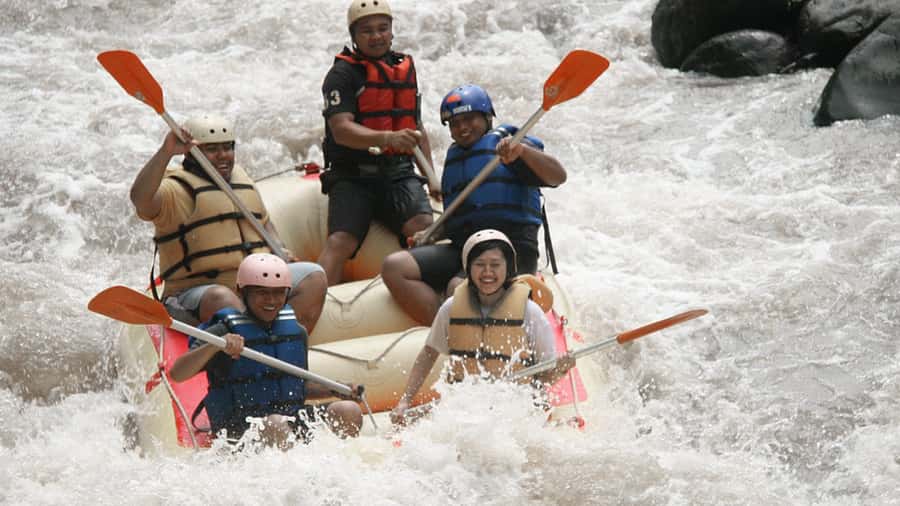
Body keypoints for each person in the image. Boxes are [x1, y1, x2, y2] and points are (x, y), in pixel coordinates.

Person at [382, 84, 567, 325]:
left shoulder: (510, 145)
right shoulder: (455, 157)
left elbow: (558, 176)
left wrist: (521, 152)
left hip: (512, 246)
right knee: (394, 266)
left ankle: (473, 336)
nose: (462, 128)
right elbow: (461, 216)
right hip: (466, 248)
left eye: (469, 119)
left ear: (487, 117)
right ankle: (444, 334)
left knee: (457, 287)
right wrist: (432, 233)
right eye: (454, 124)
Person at [130, 114, 327, 331]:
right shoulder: (175, 190)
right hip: (193, 293)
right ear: (192, 153)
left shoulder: (240, 180)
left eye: (228, 147)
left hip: (251, 287)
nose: (223, 156)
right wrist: (166, 152)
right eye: (212, 150)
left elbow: (263, 222)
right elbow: (140, 199)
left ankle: (285, 342)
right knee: (222, 298)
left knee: (313, 276)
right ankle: (253, 349)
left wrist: (278, 248)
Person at [170, 253, 363, 447]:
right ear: (241, 292)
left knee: (348, 410)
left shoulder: (296, 331)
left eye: (279, 293)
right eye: (262, 293)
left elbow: (296, 387)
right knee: (276, 424)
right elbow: (178, 373)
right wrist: (216, 345)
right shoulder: (223, 330)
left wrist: (335, 389)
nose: (271, 300)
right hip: (240, 428)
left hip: (288, 420)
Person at [390, 230, 575, 425]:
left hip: (516, 409)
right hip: (466, 408)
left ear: (508, 268)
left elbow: (544, 377)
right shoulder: (451, 308)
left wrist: (560, 369)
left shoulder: (530, 312)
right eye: (479, 265)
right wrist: (405, 401)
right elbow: (428, 354)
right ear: (468, 268)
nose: (487, 272)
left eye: (495, 265)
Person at [318, 0, 438, 286]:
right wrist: (387, 138)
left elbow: (415, 127)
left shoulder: (404, 67)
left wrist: (432, 176)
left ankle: (436, 296)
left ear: (391, 31)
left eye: (382, 28)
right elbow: (341, 130)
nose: (376, 36)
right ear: (354, 36)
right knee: (340, 241)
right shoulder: (341, 75)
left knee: (425, 229)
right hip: (352, 175)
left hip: (397, 172)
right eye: (367, 30)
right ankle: (316, 306)